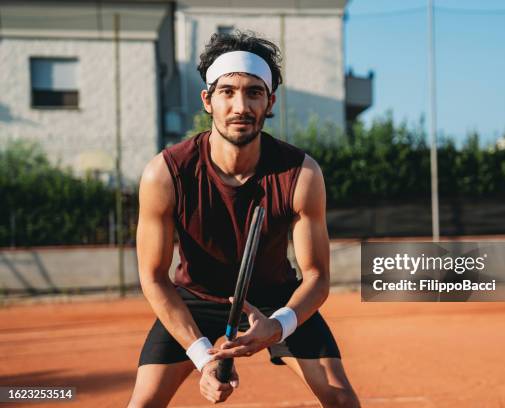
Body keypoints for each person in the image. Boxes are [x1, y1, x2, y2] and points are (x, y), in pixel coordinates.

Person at [128, 31, 361, 408]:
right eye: (228, 92)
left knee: (341, 399)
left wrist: (280, 324)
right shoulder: (165, 173)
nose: (241, 106)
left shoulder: (301, 174)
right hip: (195, 300)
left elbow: (317, 277)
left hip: (275, 299)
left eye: (254, 92)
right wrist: (204, 358)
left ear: (269, 102)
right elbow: (153, 277)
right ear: (208, 100)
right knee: (143, 404)